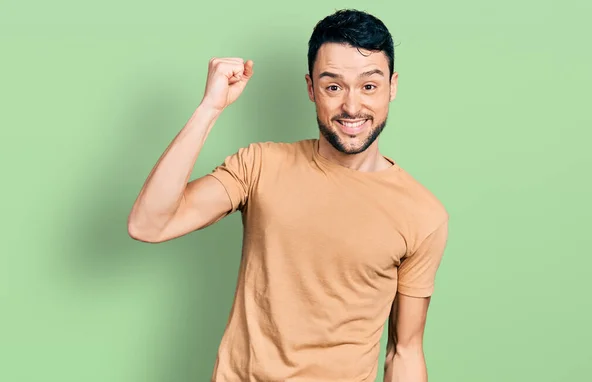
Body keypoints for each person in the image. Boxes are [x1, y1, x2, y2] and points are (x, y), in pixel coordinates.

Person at [127, 8, 449, 382]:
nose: (351, 106)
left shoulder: (423, 215)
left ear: (392, 86)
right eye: (333, 86)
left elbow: (405, 351)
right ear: (311, 88)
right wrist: (209, 108)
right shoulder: (260, 164)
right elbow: (149, 224)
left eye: (369, 86)